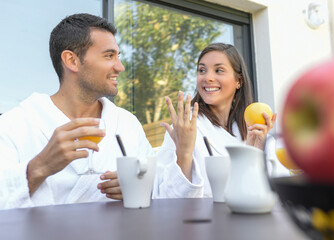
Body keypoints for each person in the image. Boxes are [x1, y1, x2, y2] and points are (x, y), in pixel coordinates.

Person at [0, 13, 153, 209]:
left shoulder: (127, 124)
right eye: (109, 56)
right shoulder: (15, 125)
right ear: (71, 61)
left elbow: (157, 188)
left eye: (118, 56)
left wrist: (139, 189)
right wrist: (40, 167)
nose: (120, 67)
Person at [153, 43, 279, 198]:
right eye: (202, 70)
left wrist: (256, 151)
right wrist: (184, 154)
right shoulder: (184, 128)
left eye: (218, 70)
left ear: (239, 81)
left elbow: (271, 194)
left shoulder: (255, 132)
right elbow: (165, 199)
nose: (208, 78)